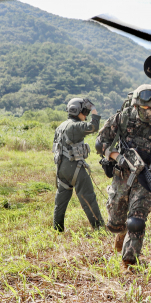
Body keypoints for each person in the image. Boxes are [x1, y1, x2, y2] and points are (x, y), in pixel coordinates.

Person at [96, 84, 151, 266]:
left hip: (144, 178)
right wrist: (117, 157)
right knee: (115, 221)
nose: (149, 112)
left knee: (136, 221)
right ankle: (121, 232)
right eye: (145, 107)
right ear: (136, 105)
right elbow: (101, 143)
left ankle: (129, 263)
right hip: (122, 174)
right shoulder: (122, 118)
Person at [52, 98, 104, 232]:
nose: (86, 115)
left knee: (61, 200)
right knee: (88, 197)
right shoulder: (75, 126)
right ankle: (99, 227)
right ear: (77, 111)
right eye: (85, 111)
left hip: (61, 168)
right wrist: (94, 110)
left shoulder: (61, 126)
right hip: (75, 167)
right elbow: (94, 126)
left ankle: (57, 228)